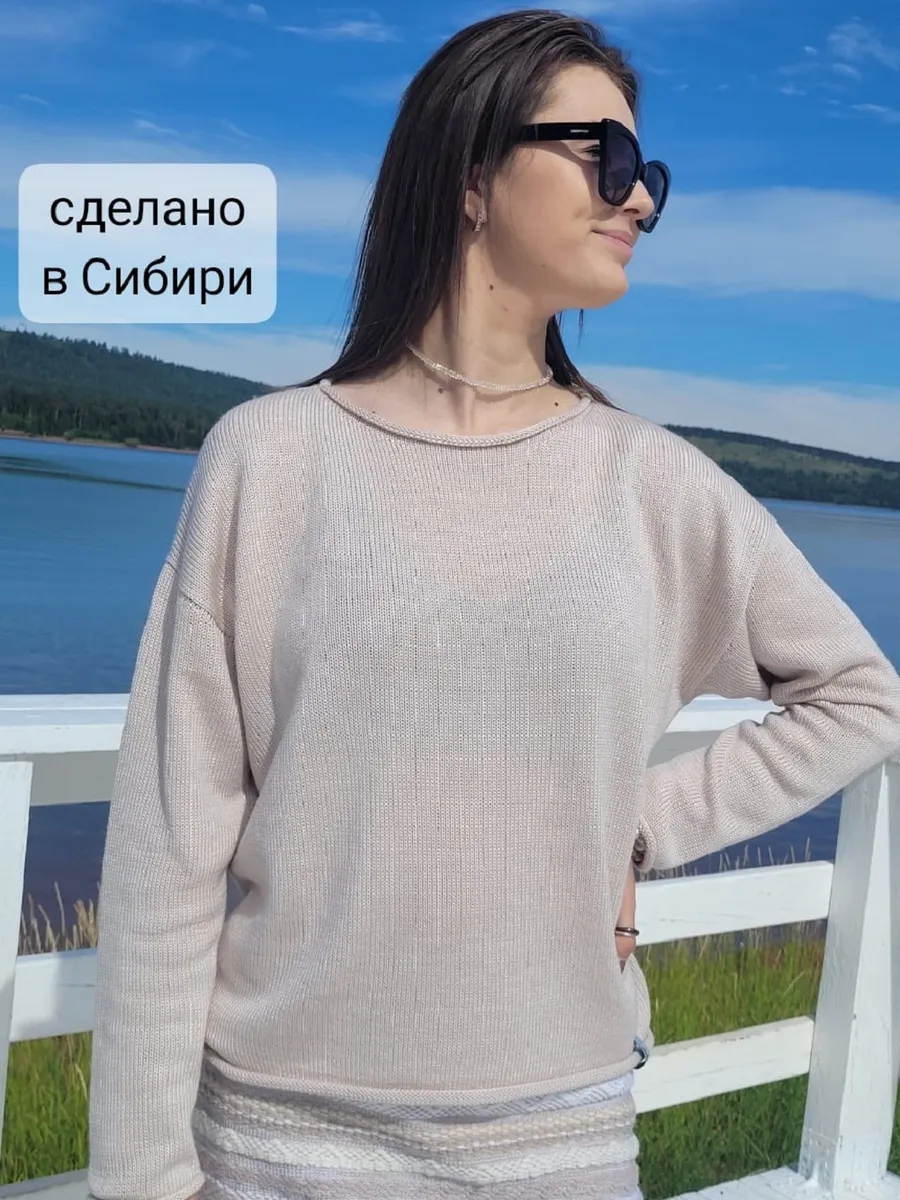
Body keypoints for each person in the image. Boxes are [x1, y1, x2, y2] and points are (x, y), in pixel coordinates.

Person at [86, 8, 900, 1200]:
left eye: (651, 172)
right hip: (274, 1142)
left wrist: (636, 825)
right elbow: (168, 847)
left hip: (558, 1145)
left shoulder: (654, 484)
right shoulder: (268, 459)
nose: (640, 198)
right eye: (607, 156)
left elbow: (861, 697)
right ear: (472, 175)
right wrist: (143, 1181)